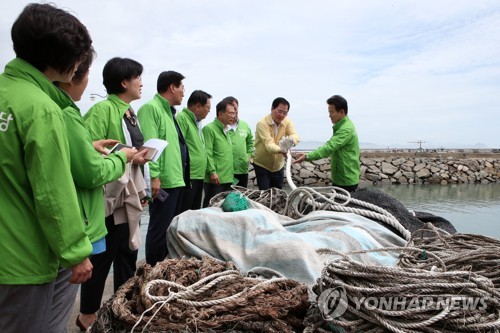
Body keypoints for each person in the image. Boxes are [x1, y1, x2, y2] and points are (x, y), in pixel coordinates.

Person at [0, 4, 94, 332]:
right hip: (24, 257)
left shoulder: (6, 94)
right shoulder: (42, 108)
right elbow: (52, 191)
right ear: (65, 61)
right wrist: (75, 251)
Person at [80, 57, 148, 330]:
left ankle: (123, 308)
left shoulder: (131, 112)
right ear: (124, 82)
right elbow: (88, 149)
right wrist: (126, 155)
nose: (142, 82)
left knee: (127, 252)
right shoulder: (102, 110)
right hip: (110, 197)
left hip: (129, 193)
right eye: (138, 77)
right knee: (102, 256)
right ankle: (87, 315)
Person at [137, 70, 190, 266]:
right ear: (172, 87)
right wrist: (155, 177)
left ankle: (164, 268)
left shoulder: (169, 112)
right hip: (163, 181)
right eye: (182, 87)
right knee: (159, 229)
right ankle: (152, 270)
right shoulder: (151, 109)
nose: (183, 92)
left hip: (175, 180)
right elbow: (150, 146)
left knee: (169, 229)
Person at [294, 95, 360, 192]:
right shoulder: (343, 126)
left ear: (341, 112)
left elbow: (329, 147)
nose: (329, 115)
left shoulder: (346, 129)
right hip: (341, 178)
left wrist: (307, 156)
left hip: (346, 180)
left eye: (331, 112)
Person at [176, 90, 212, 211]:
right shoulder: (183, 118)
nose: (209, 111)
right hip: (189, 175)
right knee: (185, 211)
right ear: (198, 106)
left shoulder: (197, 123)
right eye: (207, 107)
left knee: (195, 211)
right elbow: (178, 146)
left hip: (198, 174)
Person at [253, 97, 300, 190]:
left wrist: (291, 141)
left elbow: (295, 136)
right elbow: (269, 146)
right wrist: (282, 150)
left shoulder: (287, 122)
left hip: (278, 166)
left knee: (278, 194)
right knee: (265, 194)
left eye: (285, 113)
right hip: (262, 164)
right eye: (279, 111)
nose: (282, 115)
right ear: (272, 108)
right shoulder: (262, 124)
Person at [202, 99, 237, 207]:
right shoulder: (209, 129)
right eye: (231, 113)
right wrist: (212, 172)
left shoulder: (228, 131)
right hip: (215, 179)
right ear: (221, 114)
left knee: (223, 209)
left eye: (234, 113)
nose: (233, 116)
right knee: (211, 207)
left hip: (227, 178)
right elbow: (207, 152)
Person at [224, 96, 254, 188]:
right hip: (226, 171)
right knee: (226, 198)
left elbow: (250, 142)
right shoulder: (222, 126)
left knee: (241, 198)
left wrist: (249, 156)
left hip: (242, 170)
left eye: (236, 108)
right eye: (231, 108)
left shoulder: (244, 125)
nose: (234, 111)